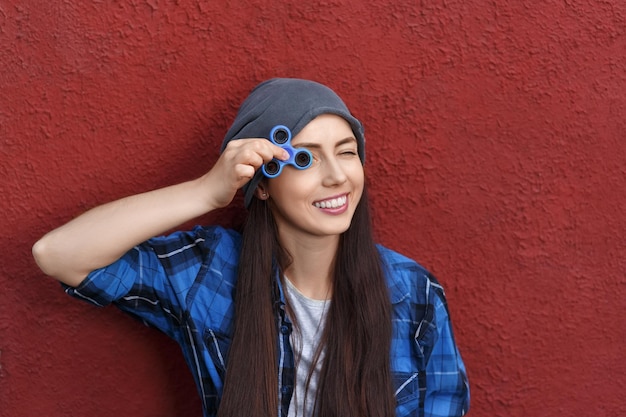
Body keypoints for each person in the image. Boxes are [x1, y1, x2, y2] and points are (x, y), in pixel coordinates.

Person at [32, 78, 470, 417]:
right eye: (306, 157)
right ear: (261, 185)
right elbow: (58, 254)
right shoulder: (212, 273)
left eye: (347, 151)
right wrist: (206, 191)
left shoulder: (414, 294)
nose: (337, 176)